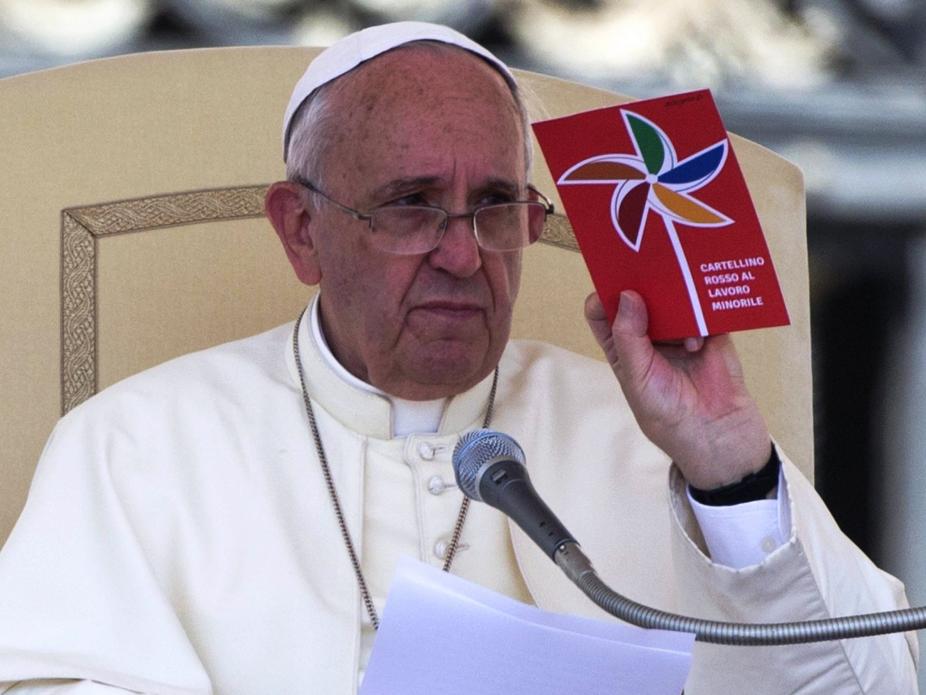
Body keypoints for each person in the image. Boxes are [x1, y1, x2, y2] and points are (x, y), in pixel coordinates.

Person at [0, 21, 916, 694]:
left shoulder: (646, 442)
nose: (464, 252)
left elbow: (867, 684)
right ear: (302, 231)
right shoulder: (134, 446)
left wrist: (728, 469)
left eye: (494, 205)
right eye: (409, 204)